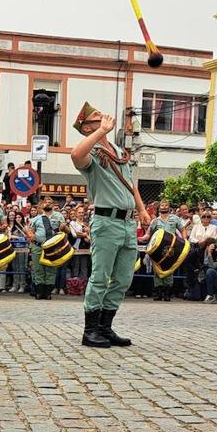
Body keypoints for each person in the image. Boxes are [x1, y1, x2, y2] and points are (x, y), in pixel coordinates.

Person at [71, 102, 151, 348]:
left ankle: (105, 327)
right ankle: (90, 330)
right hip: (106, 222)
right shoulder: (91, 153)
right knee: (100, 276)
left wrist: (141, 209)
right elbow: (75, 155)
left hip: (127, 223)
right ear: (86, 128)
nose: (103, 116)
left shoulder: (117, 150)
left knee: (123, 278)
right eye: (96, 117)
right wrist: (100, 132)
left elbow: (130, 183)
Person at [27, 197, 65, 300]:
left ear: (53, 205)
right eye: (45, 202)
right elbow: (30, 231)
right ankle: (39, 291)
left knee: (50, 269)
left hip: (52, 247)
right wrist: (30, 235)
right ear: (42, 205)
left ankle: (48, 292)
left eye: (49, 202)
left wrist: (63, 227)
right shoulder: (36, 219)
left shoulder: (59, 217)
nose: (47, 204)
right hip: (38, 246)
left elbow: (66, 230)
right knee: (38, 268)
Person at [147, 200, 185, 302]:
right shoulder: (155, 221)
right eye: (162, 206)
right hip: (158, 248)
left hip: (170, 248)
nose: (163, 207)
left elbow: (182, 229)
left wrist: (185, 241)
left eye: (166, 205)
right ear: (159, 208)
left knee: (169, 268)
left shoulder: (175, 218)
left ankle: (167, 292)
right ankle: (158, 292)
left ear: (169, 207)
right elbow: (149, 233)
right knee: (157, 268)